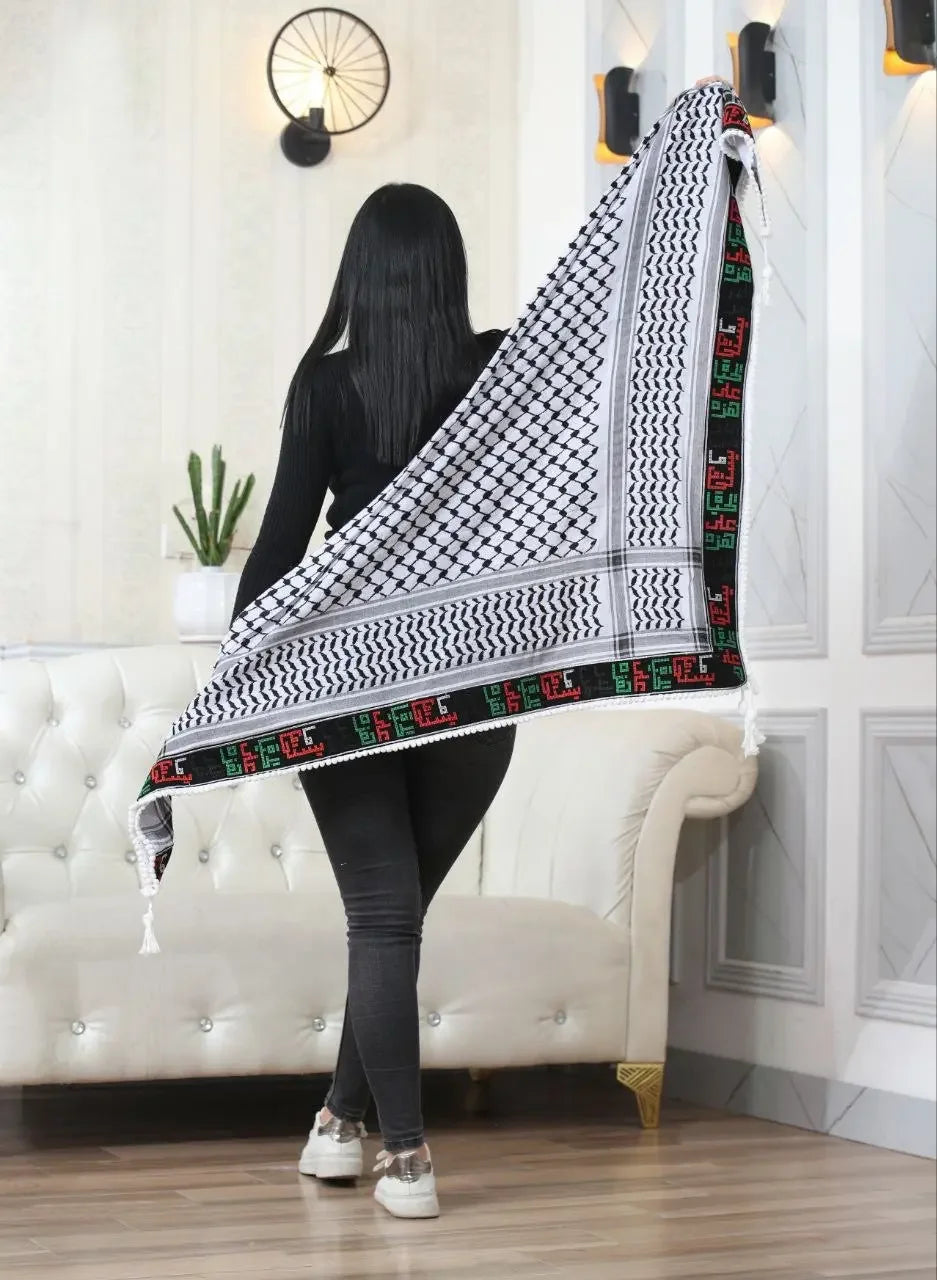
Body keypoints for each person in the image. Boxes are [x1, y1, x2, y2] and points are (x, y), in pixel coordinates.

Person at [229, 183, 516, 1220]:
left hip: (347, 680)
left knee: (384, 920)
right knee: (392, 921)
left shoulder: (325, 387)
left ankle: (407, 1153)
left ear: (360, 274)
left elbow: (276, 554)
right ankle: (340, 1127)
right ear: (448, 269)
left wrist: (236, 680)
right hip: (474, 684)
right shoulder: (500, 371)